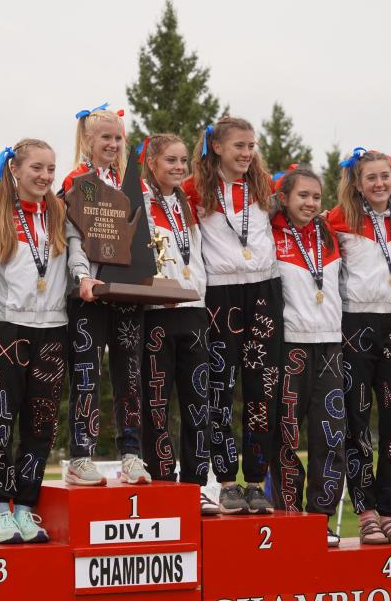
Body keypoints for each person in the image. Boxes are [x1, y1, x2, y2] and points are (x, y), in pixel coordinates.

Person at [183, 116, 282, 514]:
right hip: (220, 294)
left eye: (251, 146)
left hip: (263, 290)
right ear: (217, 147)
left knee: (262, 389)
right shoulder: (196, 188)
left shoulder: (264, 186)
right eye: (239, 145)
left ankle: (257, 481)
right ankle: (226, 481)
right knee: (218, 389)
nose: (246, 153)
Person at [0, 139, 68, 543]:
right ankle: (0, 511)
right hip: (4, 327)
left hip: (52, 328)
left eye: (51, 169)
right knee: (0, 420)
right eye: (37, 167)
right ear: (15, 169)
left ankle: (26, 510)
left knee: (41, 425)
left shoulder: (59, 214)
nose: (45, 176)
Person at [328, 147, 391, 543]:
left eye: (385, 176)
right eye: (371, 178)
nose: (380, 184)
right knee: (356, 420)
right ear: (358, 184)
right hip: (355, 323)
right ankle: (366, 510)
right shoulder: (339, 219)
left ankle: (390, 509)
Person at [61, 104, 151, 486]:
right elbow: (73, 235)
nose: (113, 144)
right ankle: (82, 456)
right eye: (105, 137)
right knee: (87, 374)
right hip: (90, 293)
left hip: (127, 291)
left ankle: (131, 454)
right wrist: (82, 276)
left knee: (130, 375)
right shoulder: (75, 180)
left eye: (118, 138)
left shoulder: (132, 183)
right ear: (88, 140)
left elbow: (144, 237)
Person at [136, 134, 219, 514]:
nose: (179, 167)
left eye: (183, 160)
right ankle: (163, 478)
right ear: (151, 161)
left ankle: (196, 483)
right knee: (156, 402)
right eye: (170, 159)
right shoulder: (136, 200)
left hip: (194, 309)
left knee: (197, 402)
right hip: (154, 311)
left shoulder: (186, 202)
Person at [268, 165, 346, 546]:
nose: (310, 203)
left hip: (330, 342)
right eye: (302, 195)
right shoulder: (269, 232)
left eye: (316, 196)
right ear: (284, 197)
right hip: (289, 344)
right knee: (284, 433)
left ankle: (321, 516)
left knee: (330, 434)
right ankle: (287, 512)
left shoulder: (331, 232)